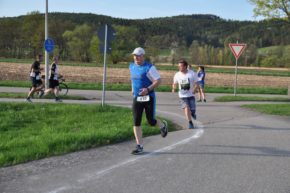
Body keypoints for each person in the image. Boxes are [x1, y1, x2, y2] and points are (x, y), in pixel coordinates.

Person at [129, 47, 168, 155]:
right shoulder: (131, 66)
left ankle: (162, 126)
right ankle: (139, 146)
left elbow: (158, 81)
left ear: (143, 56)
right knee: (136, 121)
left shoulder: (149, 67)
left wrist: (148, 89)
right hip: (137, 97)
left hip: (148, 97)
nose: (136, 58)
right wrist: (133, 89)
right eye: (134, 56)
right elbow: (133, 79)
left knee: (151, 121)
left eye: (138, 56)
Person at [172, 59, 199, 129]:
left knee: (192, 109)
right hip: (182, 95)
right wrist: (174, 88)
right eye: (179, 66)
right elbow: (174, 83)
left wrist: (194, 89)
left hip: (191, 95)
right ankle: (190, 123)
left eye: (180, 66)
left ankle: (193, 113)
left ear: (185, 66)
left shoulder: (192, 73)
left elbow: (197, 84)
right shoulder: (177, 74)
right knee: (186, 108)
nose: (179, 68)